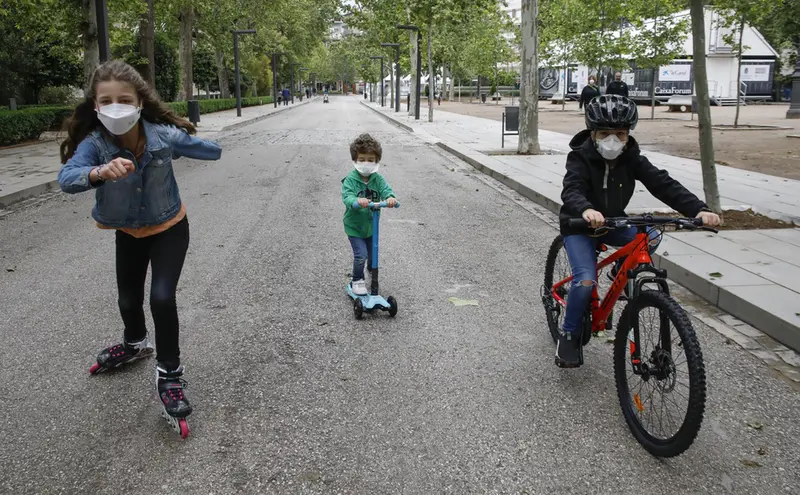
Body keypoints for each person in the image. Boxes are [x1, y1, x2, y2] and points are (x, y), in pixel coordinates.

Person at [57, 60, 222, 419]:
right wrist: (99, 171)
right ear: (96, 106)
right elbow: (68, 178)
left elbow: (211, 149)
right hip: (128, 231)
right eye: (107, 100)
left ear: (139, 103)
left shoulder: (161, 135)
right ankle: (135, 343)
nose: (116, 107)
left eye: (124, 99)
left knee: (161, 298)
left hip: (169, 227)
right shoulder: (95, 143)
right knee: (128, 299)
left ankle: (170, 373)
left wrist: (189, 141)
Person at [556, 95, 721, 368]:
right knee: (585, 281)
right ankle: (570, 332)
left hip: (614, 223)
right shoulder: (579, 158)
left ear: (628, 134)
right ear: (593, 133)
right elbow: (571, 189)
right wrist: (585, 209)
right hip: (580, 226)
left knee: (651, 234)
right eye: (605, 133)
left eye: (620, 134)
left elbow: (664, 184)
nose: (613, 140)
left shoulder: (632, 159)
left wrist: (698, 209)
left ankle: (619, 267)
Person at [341, 133, 398, 296]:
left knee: (373, 255)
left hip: (372, 226)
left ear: (377, 161)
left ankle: (370, 270)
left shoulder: (377, 179)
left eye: (371, 160)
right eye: (362, 159)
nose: (366, 163)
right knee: (361, 255)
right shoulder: (350, 180)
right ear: (355, 160)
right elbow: (347, 197)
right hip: (355, 226)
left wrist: (391, 198)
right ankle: (357, 280)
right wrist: (357, 201)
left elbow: (386, 190)